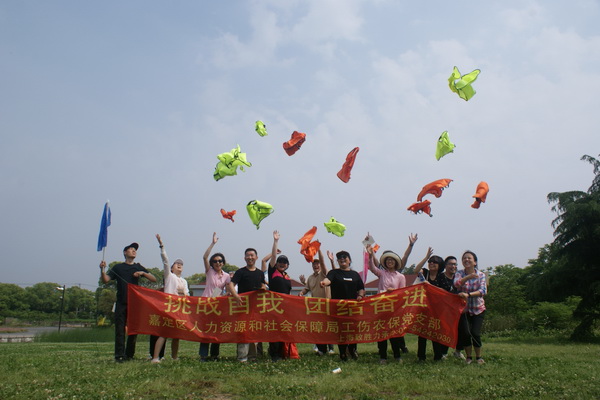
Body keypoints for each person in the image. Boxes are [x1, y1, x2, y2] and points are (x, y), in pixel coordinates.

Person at [100, 242, 157, 363]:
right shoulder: (117, 267)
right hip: (121, 302)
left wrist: (142, 273)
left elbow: (154, 279)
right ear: (125, 252)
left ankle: (130, 354)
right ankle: (119, 355)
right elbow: (106, 280)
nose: (134, 251)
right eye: (131, 249)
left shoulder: (138, 266)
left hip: (135, 303)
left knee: (133, 329)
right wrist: (102, 269)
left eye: (135, 249)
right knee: (120, 330)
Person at [367, 234, 419, 361]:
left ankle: (397, 355)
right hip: (381, 306)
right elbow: (372, 267)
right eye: (388, 260)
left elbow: (403, 293)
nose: (390, 262)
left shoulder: (400, 276)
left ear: (396, 262)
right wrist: (370, 255)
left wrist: (393, 292)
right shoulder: (382, 273)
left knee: (394, 332)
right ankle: (383, 356)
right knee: (381, 332)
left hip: (394, 308)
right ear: (385, 262)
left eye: (392, 260)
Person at [320, 250, 365, 361]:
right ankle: (343, 353)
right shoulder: (334, 273)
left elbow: (361, 288)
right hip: (339, 308)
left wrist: (360, 295)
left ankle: (353, 350)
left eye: (345, 257)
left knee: (353, 329)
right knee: (341, 331)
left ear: (349, 260)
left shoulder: (355, 275)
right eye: (339, 258)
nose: (342, 259)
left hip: (353, 308)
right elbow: (328, 280)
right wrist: (323, 283)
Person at [151, 234, 189, 363]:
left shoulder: (184, 281)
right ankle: (155, 357)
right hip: (168, 308)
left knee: (176, 335)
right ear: (172, 268)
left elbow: (187, 296)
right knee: (164, 333)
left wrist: (184, 295)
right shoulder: (169, 277)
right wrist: (161, 245)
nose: (179, 265)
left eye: (181, 264)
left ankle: (174, 357)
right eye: (177, 263)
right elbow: (165, 260)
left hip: (179, 309)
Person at [227, 246, 266, 362]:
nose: (250, 257)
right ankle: (242, 357)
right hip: (243, 307)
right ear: (244, 258)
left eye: (252, 255)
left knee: (254, 331)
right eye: (248, 255)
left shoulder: (260, 273)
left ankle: (253, 357)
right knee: (243, 331)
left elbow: (263, 285)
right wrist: (236, 296)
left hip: (256, 307)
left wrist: (263, 288)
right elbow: (231, 285)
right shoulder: (240, 272)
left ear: (256, 257)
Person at [414, 249, 453, 361]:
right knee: (422, 333)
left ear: (440, 265)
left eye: (435, 262)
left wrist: (430, 287)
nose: (431, 263)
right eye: (430, 261)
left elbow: (445, 292)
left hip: (437, 309)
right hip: (424, 307)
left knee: (435, 332)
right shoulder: (425, 273)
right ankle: (421, 357)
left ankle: (438, 356)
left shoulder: (442, 276)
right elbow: (416, 270)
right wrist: (426, 257)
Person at [199, 232, 231, 362]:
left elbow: (228, 290)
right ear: (212, 263)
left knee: (217, 330)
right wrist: (213, 243)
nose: (218, 263)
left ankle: (214, 355)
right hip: (206, 304)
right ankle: (203, 355)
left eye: (220, 261)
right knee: (206, 329)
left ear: (223, 262)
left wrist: (226, 295)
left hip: (218, 305)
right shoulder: (209, 272)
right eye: (215, 261)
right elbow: (204, 257)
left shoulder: (226, 276)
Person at [454, 250, 487, 365]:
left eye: (469, 258)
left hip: (478, 309)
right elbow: (456, 284)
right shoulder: (459, 273)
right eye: (464, 258)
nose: (466, 260)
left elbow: (483, 291)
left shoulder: (481, 275)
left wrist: (468, 295)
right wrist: (468, 277)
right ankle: (468, 357)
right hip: (464, 310)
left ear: (475, 262)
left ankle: (479, 357)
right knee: (466, 333)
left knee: (475, 333)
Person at [264, 230, 292, 362]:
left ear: (287, 265)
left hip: (285, 307)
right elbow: (273, 256)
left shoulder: (287, 277)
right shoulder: (272, 272)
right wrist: (276, 241)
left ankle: (282, 352)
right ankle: (274, 354)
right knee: (274, 330)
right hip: (274, 306)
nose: (282, 263)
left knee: (283, 329)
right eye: (280, 261)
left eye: (285, 262)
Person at [299, 247, 332, 356]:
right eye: (314, 263)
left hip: (326, 306)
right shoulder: (310, 278)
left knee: (327, 328)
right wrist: (302, 292)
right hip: (315, 307)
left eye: (317, 263)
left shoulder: (324, 274)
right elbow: (307, 288)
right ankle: (321, 349)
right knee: (317, 328)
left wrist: (319, 249)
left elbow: (323, 262)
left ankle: (330, 348)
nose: (316, 265)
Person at [443, 256, 464, 360]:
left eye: (455, 264)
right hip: (444, 309)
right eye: (451, 264)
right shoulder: (441, 277)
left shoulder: (459, 276)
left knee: (462, 330)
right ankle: (444, 352)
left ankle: (458, 351)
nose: (453, 266)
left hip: (458, 308)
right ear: (445, 266)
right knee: (446, 331)